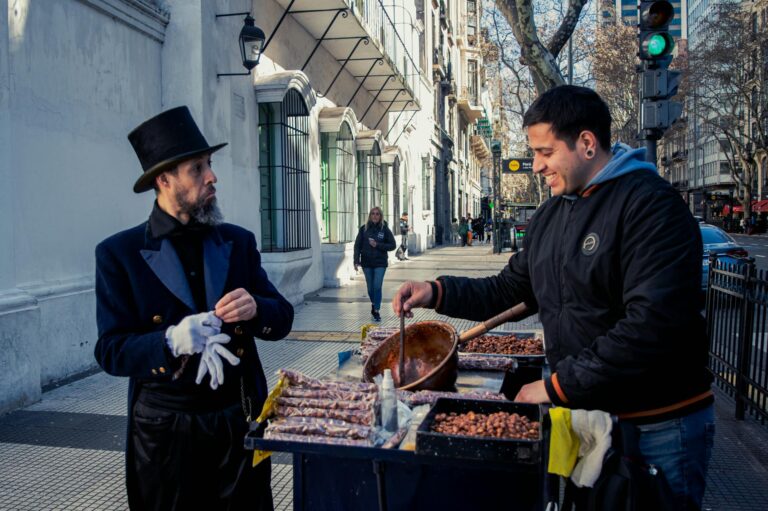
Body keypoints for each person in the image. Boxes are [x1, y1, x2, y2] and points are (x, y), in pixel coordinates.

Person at [393, 85, 713, 510]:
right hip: (591, 417)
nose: (537, 165)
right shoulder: (551, 214)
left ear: (585, 143)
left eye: (545, 152)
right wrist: (436, 291)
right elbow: (509, 289)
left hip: (657, 426)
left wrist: (556, 386)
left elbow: (650, 327)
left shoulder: (651, 206)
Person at [94, 106, 294, 510]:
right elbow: (111, 350)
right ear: (164, 180)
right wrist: (168, 341)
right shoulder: (119, 254)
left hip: (236, 421)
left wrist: (256, 308)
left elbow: (283, 317)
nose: (212, 176)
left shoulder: (237, 241)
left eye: (210, 164)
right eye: (197, 168)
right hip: (165, 433)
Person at [354, 206, 396, 321]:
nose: (375, 216)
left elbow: (392, 245)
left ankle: (376, 310)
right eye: (373, 213)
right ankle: (374, 303)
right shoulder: (364, 229)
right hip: (367, 263)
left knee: (377, 286)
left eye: (377, 214)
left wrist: (378, 245)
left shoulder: (385, 229)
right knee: (370, 288)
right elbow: (357, 246)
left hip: (380, 263)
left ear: (380, 216)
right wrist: (356, 261)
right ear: (370, 216)